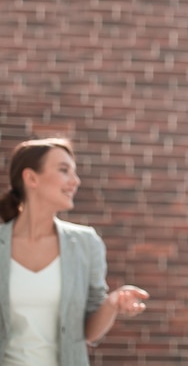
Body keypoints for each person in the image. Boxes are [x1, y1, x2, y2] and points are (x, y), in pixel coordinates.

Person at [0, 137, 150, 366]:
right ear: (31, 178)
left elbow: (89, 333)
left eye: (75, 172)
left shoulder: (86, 244)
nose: (75, 181)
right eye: (64, 170)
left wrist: (112, 303)